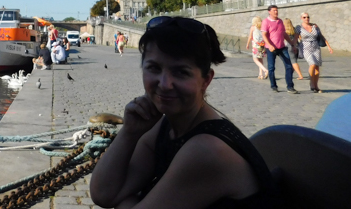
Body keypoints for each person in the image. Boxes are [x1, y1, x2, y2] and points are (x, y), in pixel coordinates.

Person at [90, 16, 279, 209]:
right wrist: (129, 133)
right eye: (154, 68)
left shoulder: (206, 150)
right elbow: (103, 194)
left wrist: (127, 203)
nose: (164, 84)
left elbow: (112, 197)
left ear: (206, 80)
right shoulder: (166, 126)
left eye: (181, 72)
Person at [261, 5, 298, 94]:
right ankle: (273, 86)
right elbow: (264, 35)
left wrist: (291, 43)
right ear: (269, 11)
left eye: (277, 10)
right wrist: (270, 45)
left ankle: (290, 87)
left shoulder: (280, 21)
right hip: (271, 48)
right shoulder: (266, 21)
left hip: (281, 47)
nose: (276, 12)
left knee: (289, 66)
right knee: (271, 68)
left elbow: (284, 33)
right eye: (274, 10)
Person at [298, 12, 333, 93]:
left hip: (316, 48)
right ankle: (311, 83)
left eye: (308, 17)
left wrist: (329, 46)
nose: (306, 18)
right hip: (306, 48)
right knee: (312, 64)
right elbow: (296, 37)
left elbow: (321, 36)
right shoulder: (299, 28)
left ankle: (316, 86)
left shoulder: (315, 26)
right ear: (301, 18)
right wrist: (293, 46)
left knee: (317, 67)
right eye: (304, 17)